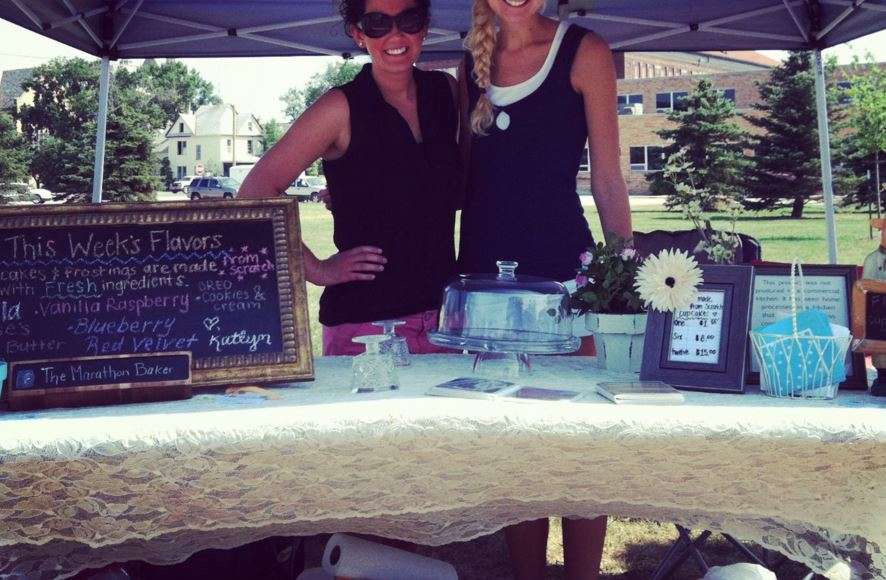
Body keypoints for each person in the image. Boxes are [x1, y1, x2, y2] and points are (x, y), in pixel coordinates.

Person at [458, 0, 633, 578]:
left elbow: (607, 177)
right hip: (486, 284)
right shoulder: (470, 61)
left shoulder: (585, 51)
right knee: (512, 448)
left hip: (565, 279)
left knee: (581, 443)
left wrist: (621, 277)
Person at [240, 0, 461, 356]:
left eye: (409, 20)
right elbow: (254, 192)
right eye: (377, 24)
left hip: (443, 321)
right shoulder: (339, 107)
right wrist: (318, 270)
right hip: (365, 326)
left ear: (424, 28)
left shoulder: (445, 92)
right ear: (359, 34)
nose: (395, 35)